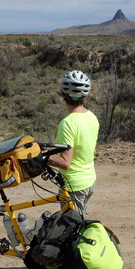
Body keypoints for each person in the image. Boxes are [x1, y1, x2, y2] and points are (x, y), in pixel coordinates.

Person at [47, 70, 100, 215]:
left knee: (71, 231)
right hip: (89, 181)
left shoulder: (68, 123)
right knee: (77, 225)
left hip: (74, 185)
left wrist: (39, 157)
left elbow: (65, 162)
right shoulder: (92, 117)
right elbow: (93, 151)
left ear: (63, 94)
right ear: (85, 95)